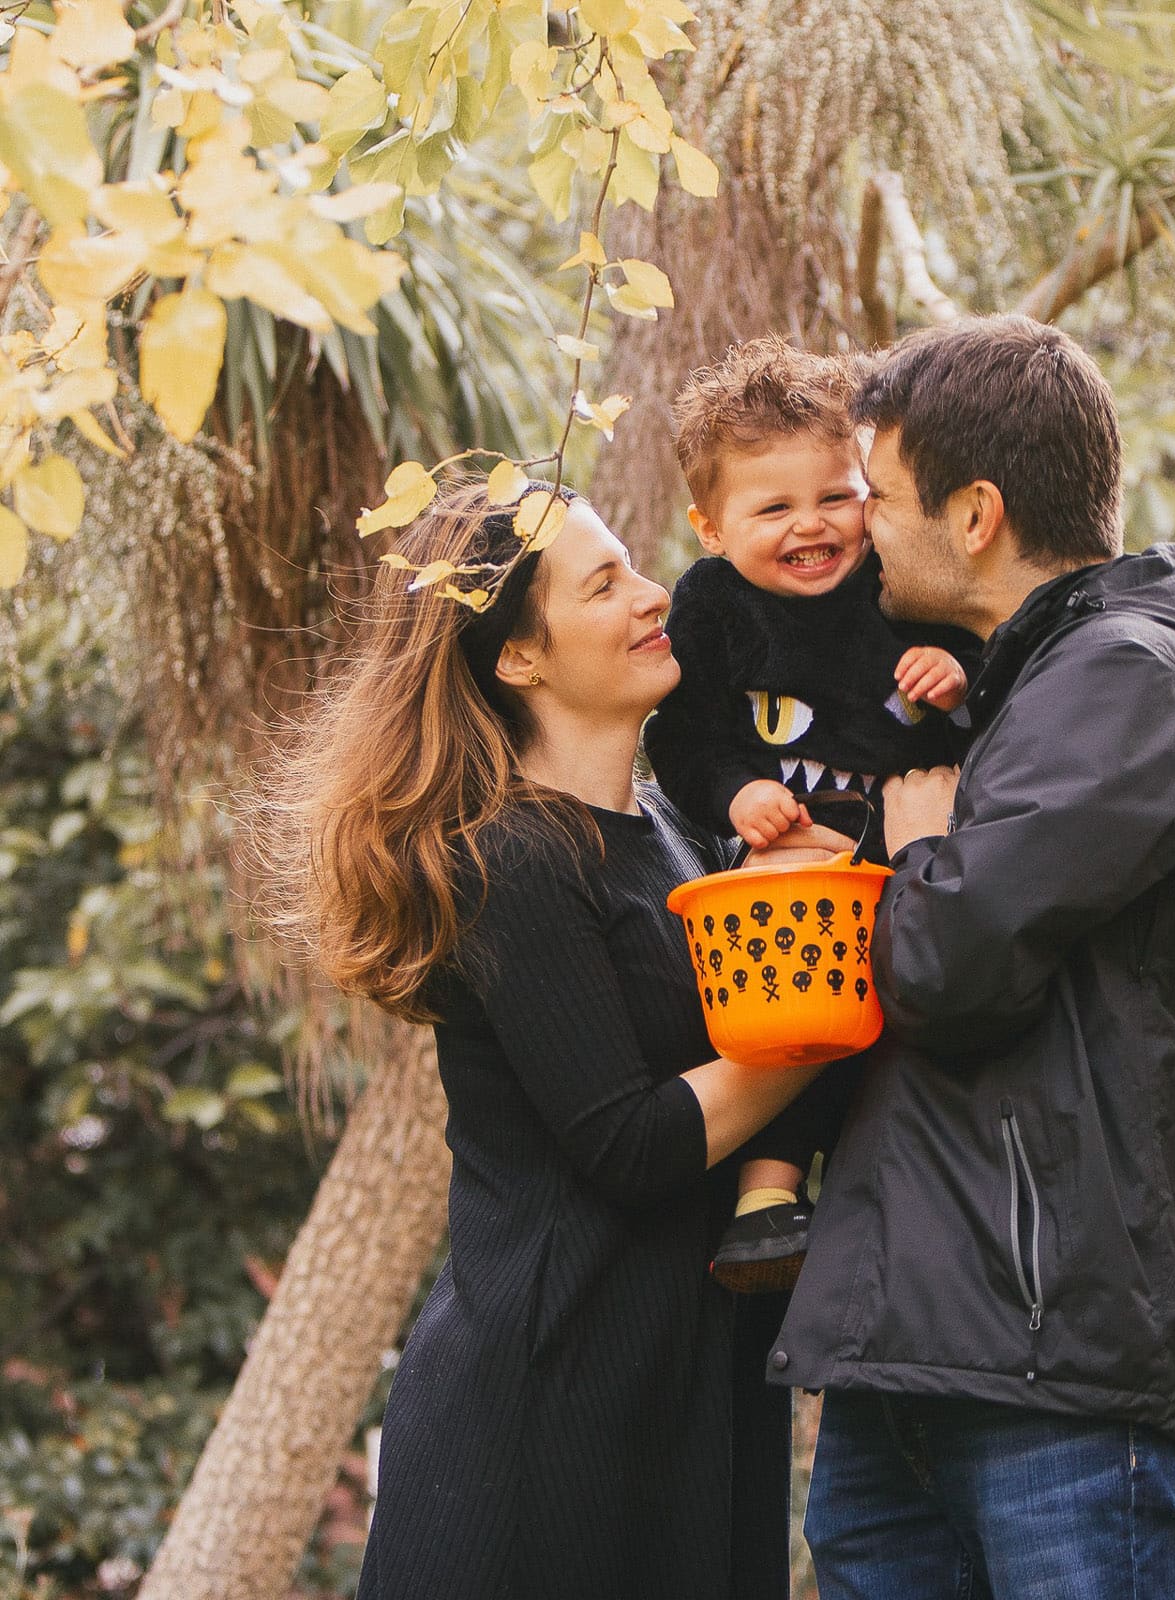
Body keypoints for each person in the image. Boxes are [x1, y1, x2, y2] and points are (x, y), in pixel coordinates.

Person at [767, 315, 1175, 1599]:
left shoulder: (1129, 674)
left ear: (976, 514)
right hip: (922, 1349)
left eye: (880, 496)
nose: (857, 527)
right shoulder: (1027, 683)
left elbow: (949, 960)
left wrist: (915, 852)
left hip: (1055, 1361)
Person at [262, 477, 830, 1600]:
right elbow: (629, 1141)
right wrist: (827, 1017)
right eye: (605, 584)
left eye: (635, 568)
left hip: (688, 1397)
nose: (653, 596)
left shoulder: (672, 829)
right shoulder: (512, 859)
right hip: (545, 1415)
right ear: (518, 657)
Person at [642, 336, 981, 1293]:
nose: (813, 526)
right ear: (712, 527)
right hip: (785, 876)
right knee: (790, 1024)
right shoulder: (710, 610)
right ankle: (768, 1197)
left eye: (837, 496)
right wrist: (736, 793)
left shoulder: (900, 585)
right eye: (774, 508)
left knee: (906, 1041)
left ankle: (903, 1207)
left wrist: (959, 681)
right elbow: (684, 737)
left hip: (911, 864)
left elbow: (998, 669)